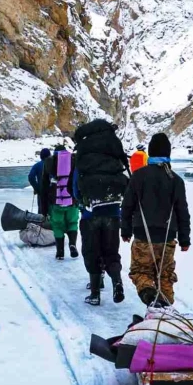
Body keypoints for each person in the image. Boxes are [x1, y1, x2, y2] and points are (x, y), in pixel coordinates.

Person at [121, 133, 191, 307]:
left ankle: (152, 300)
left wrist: (126, 230)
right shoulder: (176, 180)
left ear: (150, 153)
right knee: (165, 276)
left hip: (143, 236)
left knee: (140, 272)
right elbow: (182, 212)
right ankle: (165, 311)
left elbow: (127, 206)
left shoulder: (138, 176)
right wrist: (184, 239)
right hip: (167, 238)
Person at [73, 120, 130, 306]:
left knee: (92, 252)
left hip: (90, 215)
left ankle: (95, 294)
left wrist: (81, 203)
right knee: (111, 252)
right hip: (113, 213)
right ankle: (117, 281)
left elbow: (74, 187)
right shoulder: (115, 156)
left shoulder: (83, 158)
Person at [40, 144, 79, 260]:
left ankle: (60, 252)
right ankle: (72, 244)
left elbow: (44, 187)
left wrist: (44, 209)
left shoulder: (48, 162)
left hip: (55, 202)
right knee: (72, 223)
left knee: (57, 226)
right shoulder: (74, 160)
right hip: (72, 201)